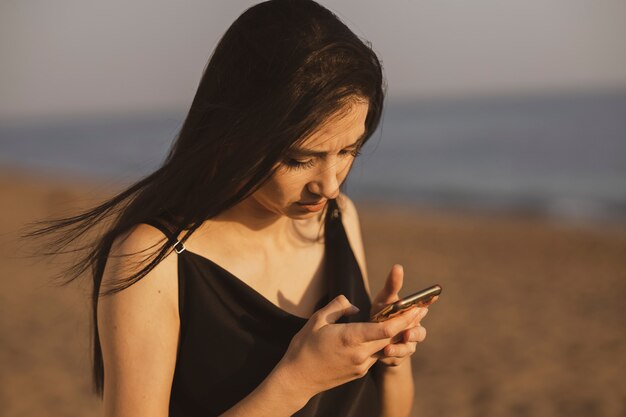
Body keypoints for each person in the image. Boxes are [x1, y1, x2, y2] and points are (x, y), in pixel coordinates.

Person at [25, 0, 433, 416]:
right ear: (235, 131)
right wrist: (297, 381)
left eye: (349, 151)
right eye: (299, 159)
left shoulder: (340, 217)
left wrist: (391, 360)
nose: (329, 185)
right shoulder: (151, 259)